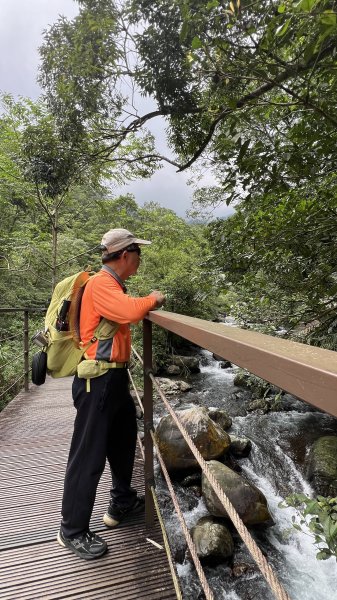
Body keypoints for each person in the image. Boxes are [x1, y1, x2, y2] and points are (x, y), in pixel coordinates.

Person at [57, 228, 165, 559]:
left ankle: (122, 502)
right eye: (137, 253)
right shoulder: (103, 284)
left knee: (122, 444)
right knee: (88, 455)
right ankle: (72, 530)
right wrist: (156, 298)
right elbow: (133, 311)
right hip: (97, 382)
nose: (140, 259)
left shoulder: (113, 285)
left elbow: (125, 309)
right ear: (123, 255)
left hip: (113, 379)